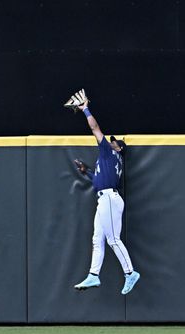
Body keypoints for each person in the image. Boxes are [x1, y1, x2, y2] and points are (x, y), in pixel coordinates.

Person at [72, 99, 140, 295]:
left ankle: (130, 273)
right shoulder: (110, 159)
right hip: (105, 198)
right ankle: (94, 275)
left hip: (110, 199)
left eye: (115, 142)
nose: (111, 141)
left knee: (113, 240)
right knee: (97, 239)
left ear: (119, 148)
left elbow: (95, 128)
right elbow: (101, 180)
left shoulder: (110, 152)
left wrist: (85, 109)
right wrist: (87, 172)